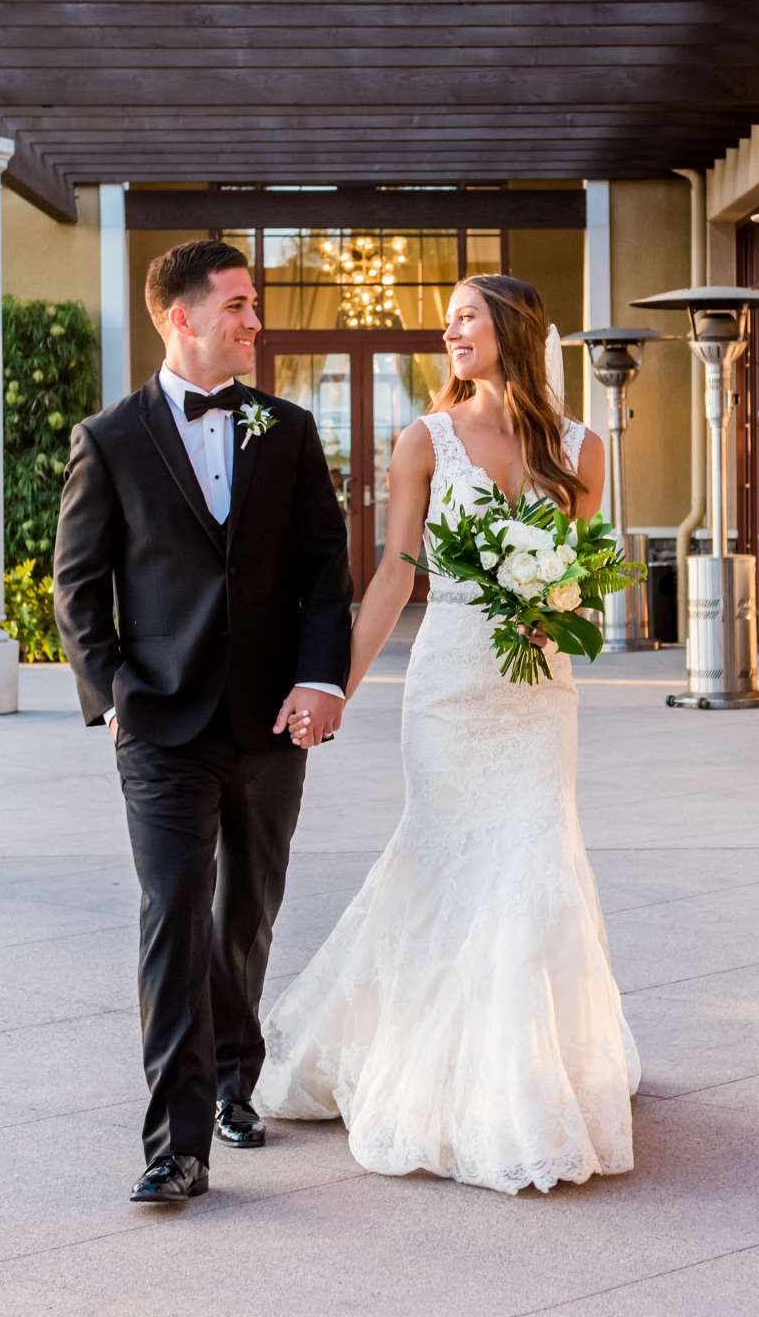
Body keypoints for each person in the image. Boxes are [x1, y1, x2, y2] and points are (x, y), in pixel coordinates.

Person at [255, 273, 640, 1194]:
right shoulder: (423, 440)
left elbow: (585, 571)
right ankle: (439, 1070)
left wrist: (561, 605)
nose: (450, 329)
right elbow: (393, 576)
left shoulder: (581, 450)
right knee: (441, 864)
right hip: (449, 692)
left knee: (538, 871)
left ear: (512, 327)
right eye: (451, 318)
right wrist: (334, 688)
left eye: (466, 315)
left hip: (539, 693)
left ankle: (524, 1089)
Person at [52, 238, 353, 1207]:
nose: (252, 320)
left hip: (270, 721)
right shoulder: (110, 439)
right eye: (236, 305)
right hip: (161, 727)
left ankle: (235, 1080)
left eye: (253, 303)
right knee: (174, 920)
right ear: (178, 317)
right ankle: (175, 1147)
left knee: (246, 914)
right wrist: (116, 698)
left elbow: (323, 575)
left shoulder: (288, 429)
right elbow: (78, 589)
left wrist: (322, 682)